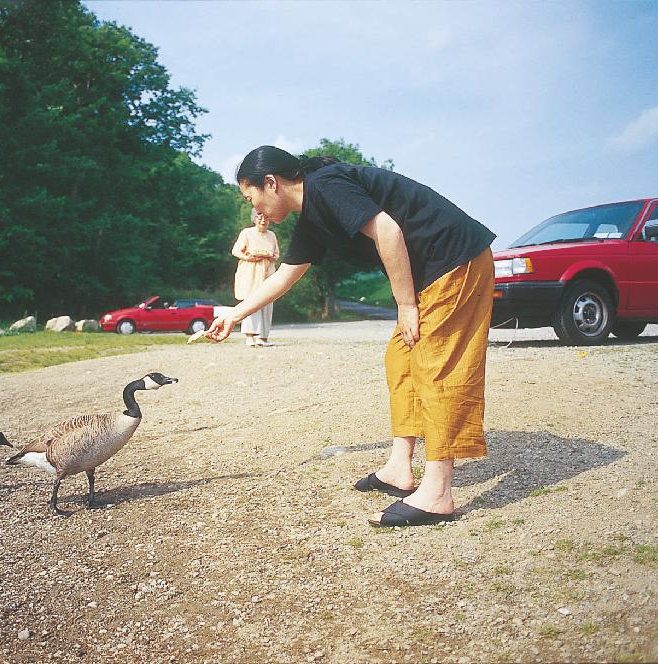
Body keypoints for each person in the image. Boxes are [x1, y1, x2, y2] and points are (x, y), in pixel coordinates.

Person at [205, 145, 496, 528]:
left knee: (436, 365)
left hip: (455, 259)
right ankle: (399, 467)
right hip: (432, 271)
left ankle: (438, 492)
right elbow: (286, 274)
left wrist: (406, 305)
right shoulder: (312, 215)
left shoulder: (325, 187)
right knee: (401, 359)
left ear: (271, 183)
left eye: (252, 197)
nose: (254, 210)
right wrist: (234, 314)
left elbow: (388, 230)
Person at [231, 209, 280, 346]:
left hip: (268, 272)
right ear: (254, 218)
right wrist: (248, 257)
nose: (263, 221)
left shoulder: (272, 235)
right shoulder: (247, 233)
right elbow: (236, 251)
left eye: (266, 218)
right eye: (260, 217)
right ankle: (250, 336)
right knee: (251, 301)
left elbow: (276, 254)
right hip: (250, 272)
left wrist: (269, 256)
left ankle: (263, 337)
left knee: (267, 301)